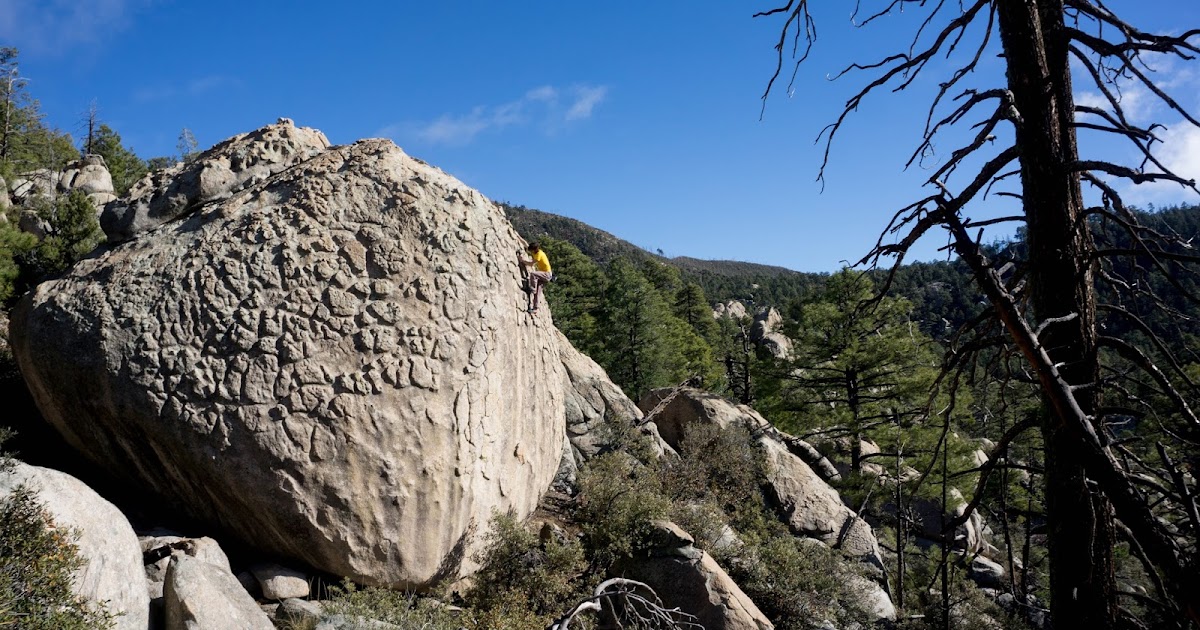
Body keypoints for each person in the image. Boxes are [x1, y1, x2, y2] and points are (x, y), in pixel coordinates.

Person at [520, 242, 553, 314]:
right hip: (545, 274)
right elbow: (526, 244)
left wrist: (522, 260)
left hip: (547, 274)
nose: (530, 251)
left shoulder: (539, 254)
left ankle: (532, 289)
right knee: (538, 292)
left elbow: (531, 264)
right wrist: (518, 237)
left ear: (534, 249)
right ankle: (535, 309)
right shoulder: (535, 251)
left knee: (533, 274)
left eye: (531, 250)